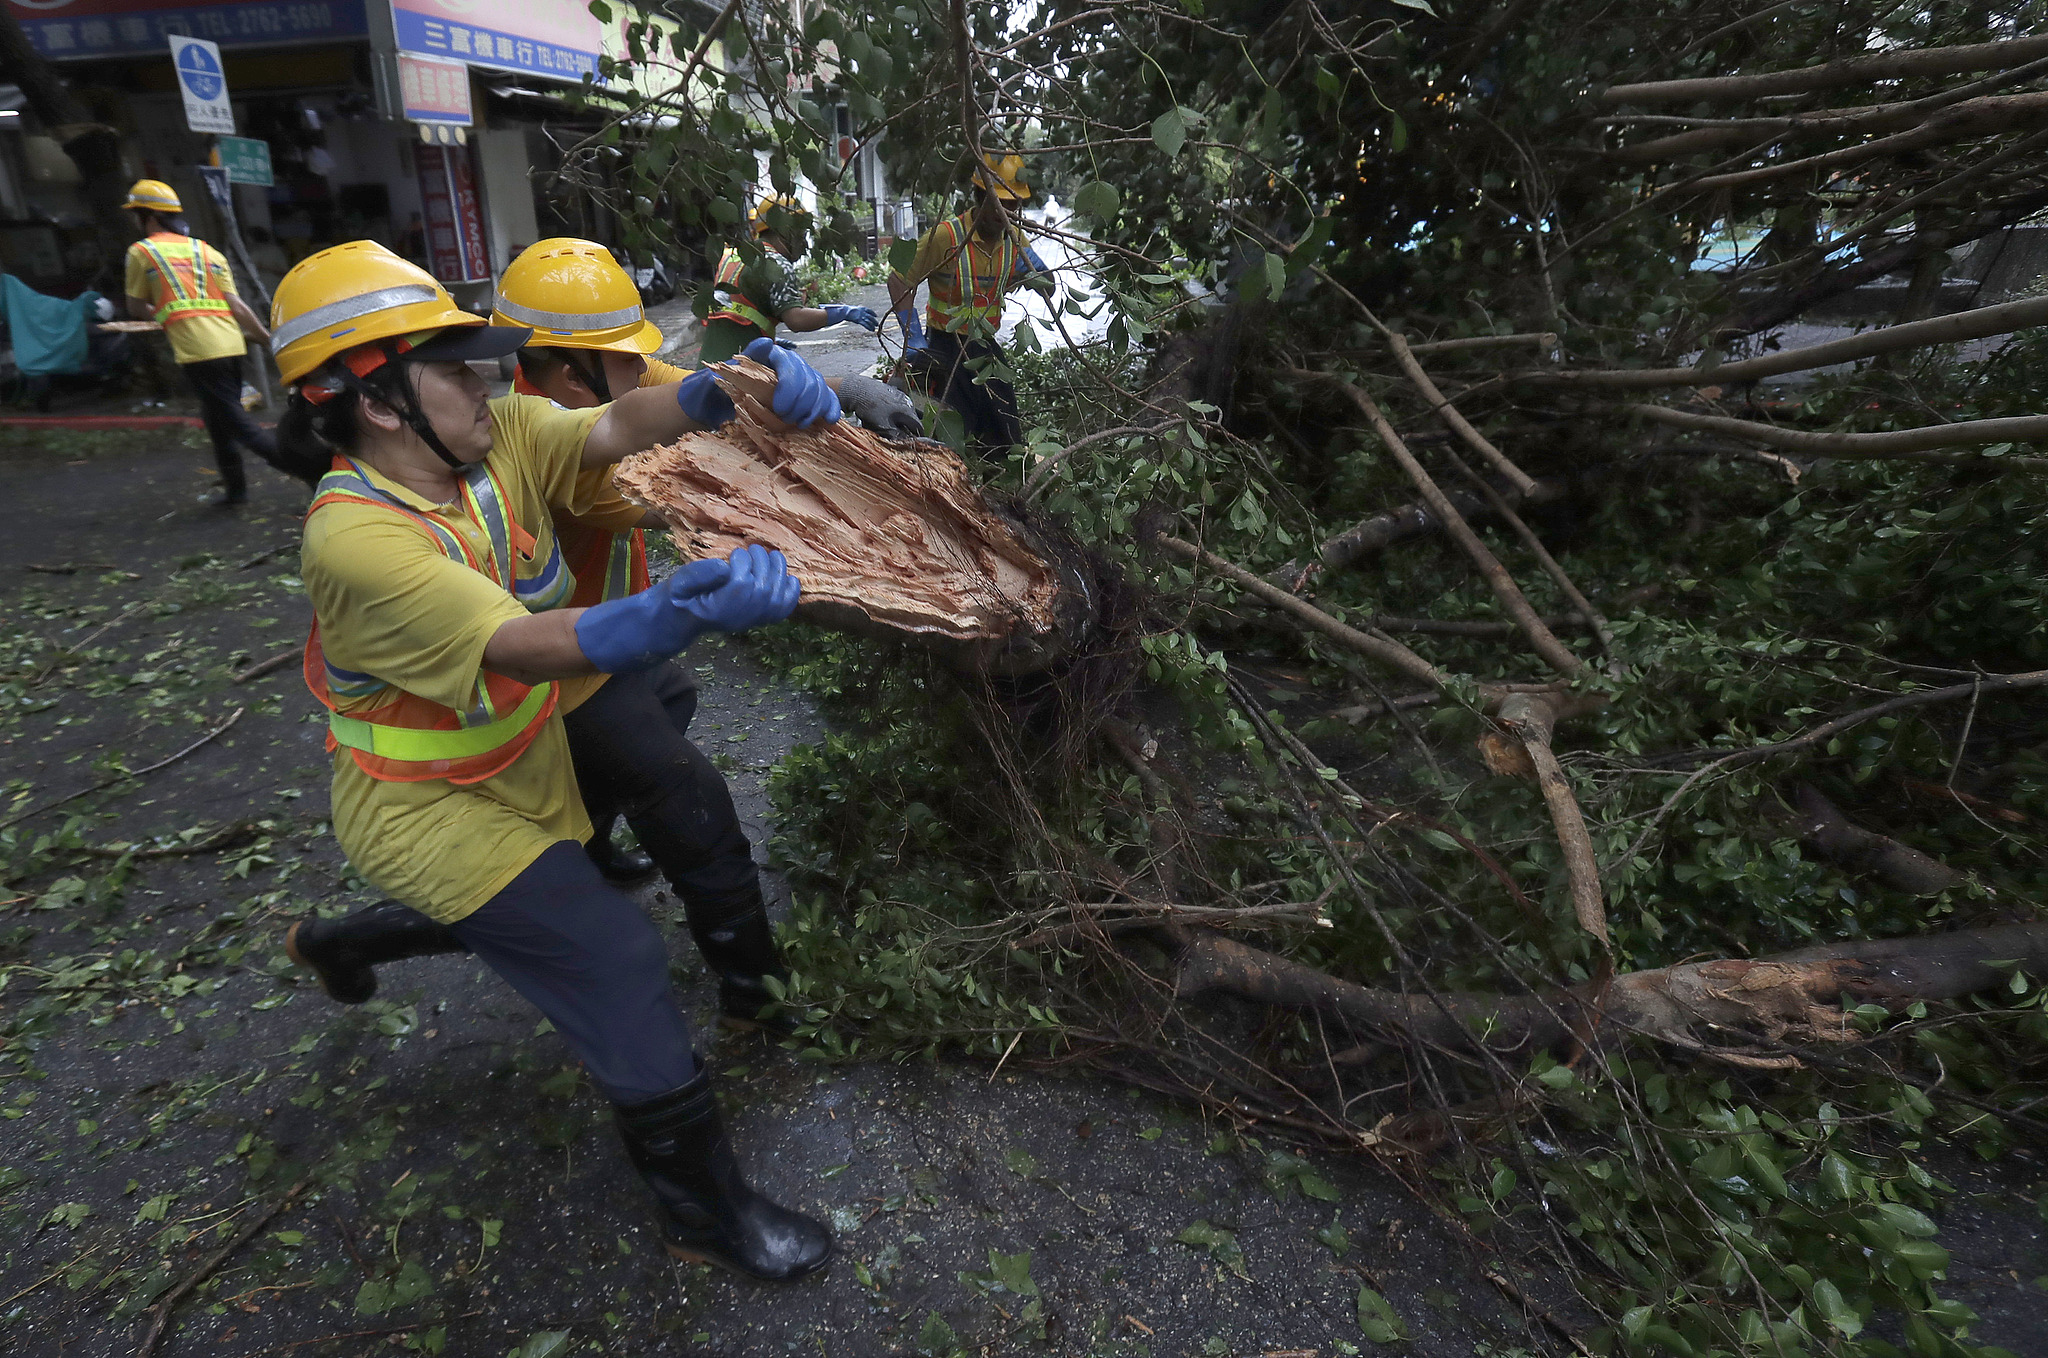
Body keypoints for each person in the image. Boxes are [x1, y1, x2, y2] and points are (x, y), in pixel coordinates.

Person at [268, 239, 840, 1280]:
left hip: (517, 764)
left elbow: (619, 420)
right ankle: (701, 1209)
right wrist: (674, 610)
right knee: (614, 953)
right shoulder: (353, 537)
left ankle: (335, 942)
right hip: (427, 806)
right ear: (383, 401)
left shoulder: (495, 447)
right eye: (455, 367)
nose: (487, 383)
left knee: (540, 909)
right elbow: (526, 644)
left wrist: (727, 388)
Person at [488, 237, 800, 1030]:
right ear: (570, 377)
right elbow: (699, 481)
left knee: (675, 693)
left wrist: (820, 386)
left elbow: (676, 388)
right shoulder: (576, 469)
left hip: (630, 650)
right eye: (624, 360)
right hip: (573, 663)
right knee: (692, 804)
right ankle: (754, 994)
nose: (642, 368)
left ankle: (585, 840)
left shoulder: (583, 389)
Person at [887, 153, 1054, 463]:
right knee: (950, 437)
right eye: (997, 202)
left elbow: (1049, 287)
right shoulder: (945, 236)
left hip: (985, 348)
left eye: (1013, 205)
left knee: (1005, 434)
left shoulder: (1015, 239)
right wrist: (914, 340)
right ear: (979, 196)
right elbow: (898, 281)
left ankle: (999, 494)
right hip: (945, 347)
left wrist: (1038, 272)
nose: (1004, 211)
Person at [121, 179, 277, 506]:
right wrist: (265, 339)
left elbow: (136, 308)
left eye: (136, 214)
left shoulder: (142, 252)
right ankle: (236, 492)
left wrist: (164, 314)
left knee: (236, 421)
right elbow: (237, 306)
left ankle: (309, 470)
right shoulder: (207, 250)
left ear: (147, 216)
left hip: (197, 349)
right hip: (231, 343)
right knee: (217, 418)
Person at [700, 195, 880, 364]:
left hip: (709, 366)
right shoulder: (776, 264)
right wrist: (842, 313)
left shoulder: (736, 256)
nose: (803, 245)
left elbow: (736, 316)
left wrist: (770, 342)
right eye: (800, 235)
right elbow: (796, 319)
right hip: (739, 372)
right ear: (785, 231)